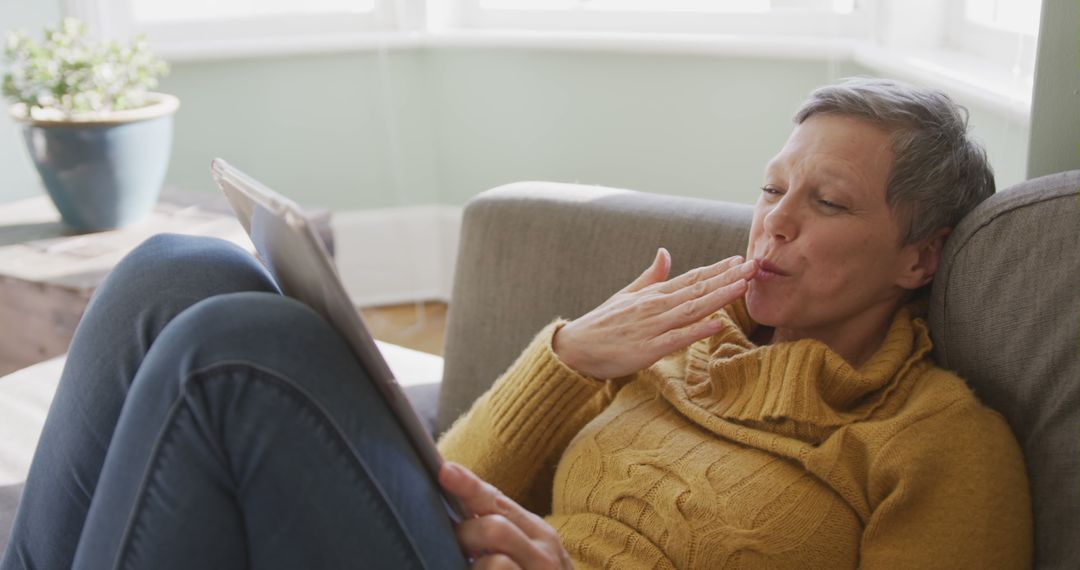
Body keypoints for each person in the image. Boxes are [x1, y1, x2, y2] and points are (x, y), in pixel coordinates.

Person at [1, 77, 1031, 569]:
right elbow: (448, 478)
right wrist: (572, 358)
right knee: (177, 272)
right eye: (772, 190)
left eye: (829, 205)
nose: (777, 225)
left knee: (240, 355)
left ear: (919, 256)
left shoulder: (939, 441)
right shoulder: (678, 340)